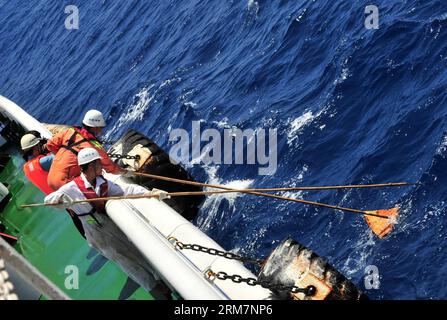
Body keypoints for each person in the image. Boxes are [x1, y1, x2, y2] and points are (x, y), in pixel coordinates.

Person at [44, 148, 172, 299]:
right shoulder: (71, 189)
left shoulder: (102, 183)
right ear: (91, 165)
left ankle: (165, 285)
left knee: (140, 255)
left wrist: (149, 193)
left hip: (112, 228)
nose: (102, 166)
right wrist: (61, 200)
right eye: (99, 163)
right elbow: (49, 201)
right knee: (129, 264)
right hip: (97, 234)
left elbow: (126, 190)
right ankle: (159, 294)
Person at [20, 131, 87, 238]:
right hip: (70, 193)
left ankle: (89, 238)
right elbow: (64, 156)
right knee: (85, 213)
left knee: (75, 216)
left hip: (60, 199)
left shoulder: (26, 168)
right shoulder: (43, 161)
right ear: (35, 148)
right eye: (38, 145)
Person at [45, 109, 125, 191]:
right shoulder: (93, 146)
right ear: (95, 128)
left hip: (50, 179)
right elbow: (109, 167)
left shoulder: (69, 131)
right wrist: (125, 172)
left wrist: (63, 156)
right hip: (65, 182)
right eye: (101, 127)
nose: (101, 130)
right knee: (99, 179)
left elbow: (50, 145)